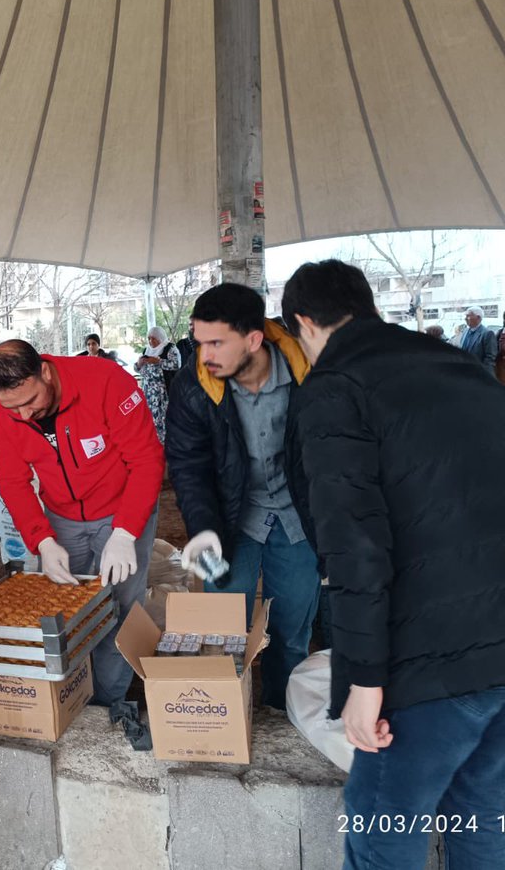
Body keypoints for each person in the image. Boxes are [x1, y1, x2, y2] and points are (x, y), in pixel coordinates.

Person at [281, 259, 505, 870]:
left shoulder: (336, 384)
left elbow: (354, 546)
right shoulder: (458, 365)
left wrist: (362, 684)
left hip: (449, 649)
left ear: (304, 323)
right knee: (476, 802)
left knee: (383, 830)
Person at [164, 284, 319, 710]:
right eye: (199, 342)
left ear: (254, 339)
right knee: (223, 634)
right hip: (233, 522)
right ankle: (228, 718)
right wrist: (202, 530)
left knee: (291, 632)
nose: (204, 354)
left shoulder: (311, 376)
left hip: (299, 521)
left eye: (216, 343)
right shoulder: (192, 387)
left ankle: (283, 713)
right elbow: (188, 465)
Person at [0, 339, 164, 708]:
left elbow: (146, 461)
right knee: (66, 604)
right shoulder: (6, 412)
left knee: (120, 603)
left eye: (30, 401)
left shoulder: (105, 382)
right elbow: (13, 483)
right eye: (11, 408)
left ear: (45, 373)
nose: (23, 416)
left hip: (122, 508)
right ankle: (71, 694)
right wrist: (43, 542)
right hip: (62, 516)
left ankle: (107, 702)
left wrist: (126, 531)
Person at [134, 326, 180, 443]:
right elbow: (138, 370)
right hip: (149, 393)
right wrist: (139, 364)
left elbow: (176, 365)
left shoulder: (170, 348)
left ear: (161, 338)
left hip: (164, 393)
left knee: (164, 419)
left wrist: (159, 362)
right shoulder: (146, 350)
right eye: (149, 338)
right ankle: (156, 445)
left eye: (154, 338)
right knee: (151, 419)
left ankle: (169, 445)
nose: (151, 341)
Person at [457, 305, 497, 374]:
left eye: (468, 316)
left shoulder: (487, 334)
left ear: (478, 317)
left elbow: (490, 358)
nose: (465, 318)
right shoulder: (465, 331)